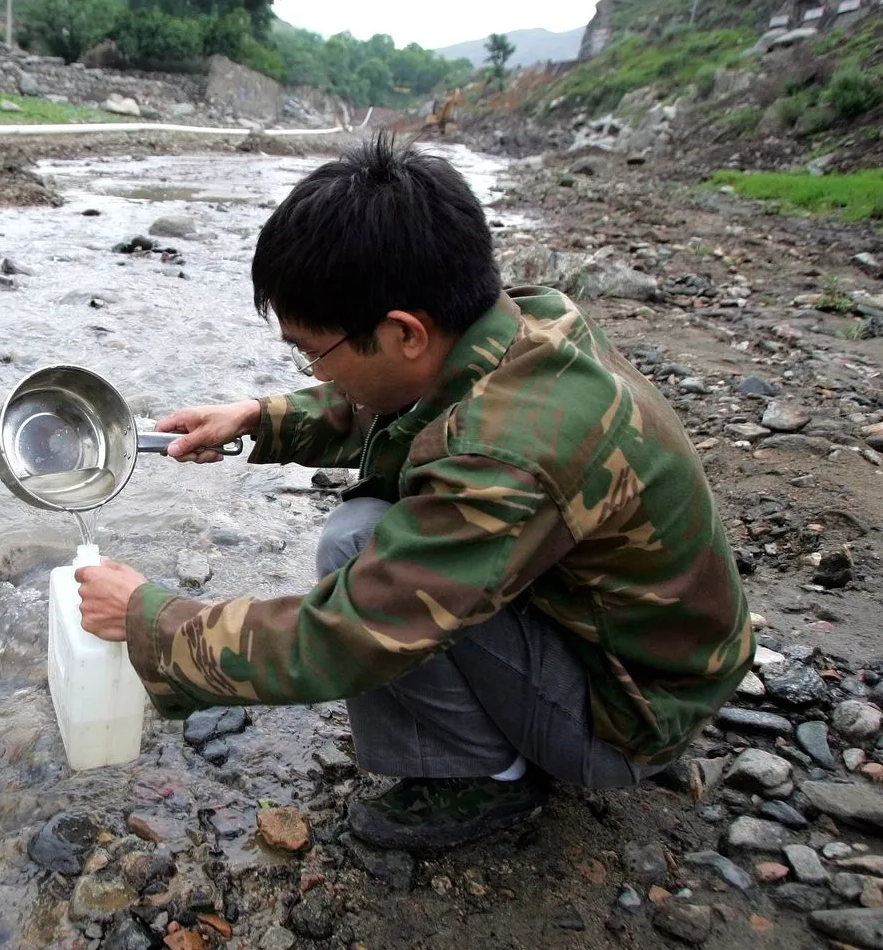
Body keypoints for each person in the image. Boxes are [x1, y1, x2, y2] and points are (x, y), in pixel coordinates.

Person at [75, 136, 754, 853]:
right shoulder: (522, 323)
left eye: (313, 350)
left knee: (357, 547)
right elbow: (400, 401)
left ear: (403, 331)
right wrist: (259, 418)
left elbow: (346, 635)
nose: (314, 368)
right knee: (367, 531)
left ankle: (487, 778)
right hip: (656, 659)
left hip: (631, 719)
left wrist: (152, 620)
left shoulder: (507, 454)